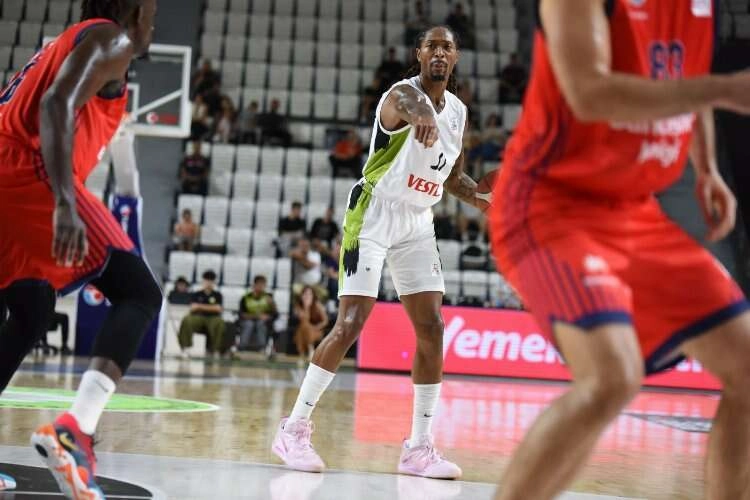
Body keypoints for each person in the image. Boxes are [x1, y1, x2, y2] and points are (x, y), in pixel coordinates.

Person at [488, 1, 750, 499]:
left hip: (633, 209)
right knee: (611, 378)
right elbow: (590, 94)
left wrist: (706, 166)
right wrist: (724, 90)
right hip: (550, 206)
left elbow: (685, 77)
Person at [272, 26, 492, 478]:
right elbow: (407, 103)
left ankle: (418, 447)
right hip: (373, 210)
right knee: (351, 321)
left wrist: (487, 199)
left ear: (456, 57)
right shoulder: (400, 95)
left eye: (447, 47)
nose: (439, 53)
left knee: (432, 327)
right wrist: (422, 112)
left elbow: (452, 178)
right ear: (419, 54)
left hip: (418, 219)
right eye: (432, 46)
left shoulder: (459, 113)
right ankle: (293, 430)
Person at [0, 1, 161, 498]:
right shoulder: (111, 39)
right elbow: (55, 104)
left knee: (31, 308)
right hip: (28, 173)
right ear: (135, 12)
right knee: (139, 293)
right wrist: (65, 202)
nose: (152, 24)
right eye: (152, 12)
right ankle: (75, 432)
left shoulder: (68, 42)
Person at [178, 270, 225, 358]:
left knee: (220, 323)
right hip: (198, 317)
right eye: (207, 280)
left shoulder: (218, 295)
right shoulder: (196, 294)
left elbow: (218, 309)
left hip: (212, 318)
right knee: (187, 320)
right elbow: (193, 307)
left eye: (211, 281)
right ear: (203, 281)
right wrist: (211, 307)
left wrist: (200, 306)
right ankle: (185, 347)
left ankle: (215, 350)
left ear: (214, 282)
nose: (208, 283)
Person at [238, 275, 278, 351]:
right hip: (248, 320)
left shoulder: (268, 297)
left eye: (263, 285)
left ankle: (262, 348)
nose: (261, 287)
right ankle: (242, 347)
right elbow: (241, 314)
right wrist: (257, 316)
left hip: (264, 322)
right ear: (254, 285)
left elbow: (275, 314)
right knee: (249, 324)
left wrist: (272, 305)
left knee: (260, 324)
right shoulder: (246, 298)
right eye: (259, 285)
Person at [292, 286, 328, 363]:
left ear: (313, 296)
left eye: (309, 294)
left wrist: (316, 327)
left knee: (304, 329)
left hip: (316, 330)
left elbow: (325, 321)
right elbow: (303, 319)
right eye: (305, 294)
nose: (307, 296)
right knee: (304, 327)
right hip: (303, 331)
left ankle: (302, 354)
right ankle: (310, 349)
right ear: (301, 295)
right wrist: (306, 307)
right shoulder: (299, 306)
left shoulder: (317, 305)